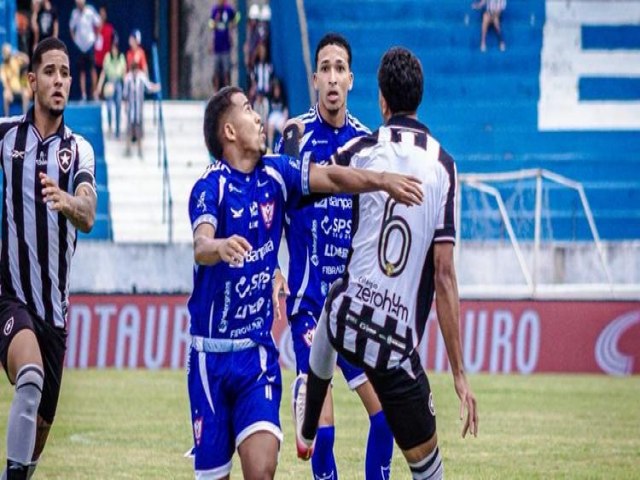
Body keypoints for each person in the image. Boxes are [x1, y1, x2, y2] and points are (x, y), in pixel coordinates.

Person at [186, 85, 422, 480]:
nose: (259, 116)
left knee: (263, 469)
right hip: (210, 359)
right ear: (229, 131)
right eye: (248, 109)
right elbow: (200, 245)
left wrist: (383, 180)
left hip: (256, 355)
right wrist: (219, 246)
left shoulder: (277, 173)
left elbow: (332, 177)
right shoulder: (210, 187)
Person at [298, 47, 479, 480]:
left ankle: (307, 419)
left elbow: (317, 179)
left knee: (331, 310)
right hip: (395, 343)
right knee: (428, 470)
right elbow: (444, 277)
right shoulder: (444, 167)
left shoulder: (362, 149)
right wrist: (459, 374)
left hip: (347, 316)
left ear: (381, 100)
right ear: (420, 97)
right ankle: (311, 419)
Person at [273, 33, 395, 479]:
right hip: (309, 304)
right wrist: (274, 271)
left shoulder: (367, 143)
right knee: (323, 436)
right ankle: (307, 392)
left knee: (386, 419)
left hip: (355, 304)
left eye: (339, 68)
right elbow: (274, 204)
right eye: (324, 68)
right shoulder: (294, 136)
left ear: (351, 79)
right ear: (314, 79)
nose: (331, 77)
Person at [0, 37, 97, 479]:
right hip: (10, 295)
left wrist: (67, 200)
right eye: (50, 72)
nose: (59, 81)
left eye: (65, 73)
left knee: (37, 432)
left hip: (54, 313)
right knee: (30, 376)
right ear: (31, 81)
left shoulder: (79, 149)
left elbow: (88, 214)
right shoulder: (7, 136)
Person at [122, 61, 160, 158]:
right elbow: (125, 94)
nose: (135, 73)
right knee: (129, 130)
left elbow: (148, 87)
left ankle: (140, 150)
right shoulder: (128, 79)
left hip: (139, 109)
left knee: (139, 131)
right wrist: (125, 106)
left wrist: (155, 87)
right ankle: (128, 149)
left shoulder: (142, 77)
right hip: (131, 109)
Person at [69, 0, 101, 100]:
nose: (79, 5)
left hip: (90, 44)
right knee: (81, 70)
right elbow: (71, 27)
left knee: (92, 69)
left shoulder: (90, 11)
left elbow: (98, 23)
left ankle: (94, 93)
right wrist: (75, 40)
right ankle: (83, 95)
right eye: (77, 3)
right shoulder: (74, 13)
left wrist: (95, 37)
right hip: (80, 46)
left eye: (80, 3)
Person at [95, 39, 126, 138]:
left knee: (118, 106)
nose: (114, 50)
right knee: (109, 106)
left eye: (116, 48)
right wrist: (99, 86)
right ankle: (109, 127)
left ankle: (118, 131)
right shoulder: (108, 57)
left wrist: (126, 88)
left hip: (118, 83)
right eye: (113, 48)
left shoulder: (121, 57)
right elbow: (103, 72)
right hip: (109, 83)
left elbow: (124, 73)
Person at [209, 0, 239, 92]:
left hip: (226, 46)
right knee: (216, 72)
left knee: (226, 71)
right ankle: (216, 93)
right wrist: (214, 23)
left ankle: (227, 92)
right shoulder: (215, 10)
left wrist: (233, 24)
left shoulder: (229, 9)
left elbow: (238, 16)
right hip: (217, 47)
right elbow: (210, 24)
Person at [0, 44, 31, 115]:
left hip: (19, 88)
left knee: (26, 94)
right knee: (5, 95)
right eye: (6, 53)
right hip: (10, 90)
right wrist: (8, 90)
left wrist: (18, 53)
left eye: (8, 53)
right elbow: (5, 82)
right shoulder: (2, 67)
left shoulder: (15, 61)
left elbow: (27, 60)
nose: (8, 55)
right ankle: (6, 117)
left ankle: (24, 115)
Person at [93, 6, 114, 79]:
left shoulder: (110, 28)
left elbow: (113, 44)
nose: (102, 16)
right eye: (100, 14)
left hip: (106, 60)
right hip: (96, 60)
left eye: (103, 14)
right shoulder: (94, 28)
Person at [266, 77, 287, 152]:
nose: (277, 91)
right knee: (270, 127)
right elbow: (267, 112)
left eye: (278, 89)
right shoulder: (270, 97)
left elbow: (285, 111)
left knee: (283, 129)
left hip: (280, 116)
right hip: (272, 116)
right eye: (275, 89)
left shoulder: (283, 98)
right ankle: (270, 149)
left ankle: (286, 148)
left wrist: (285, 120)